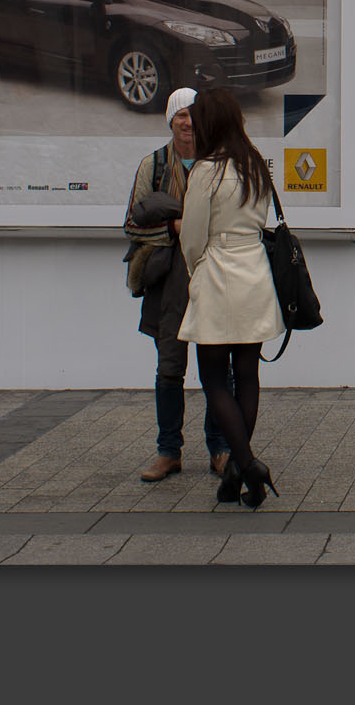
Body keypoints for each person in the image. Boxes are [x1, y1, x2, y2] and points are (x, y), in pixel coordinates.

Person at [178, 88, 285, 507]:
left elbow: (192, 235)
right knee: (248, 375)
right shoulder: (254, 163)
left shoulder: (207, 169)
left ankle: (248, 464)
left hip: (220, 270)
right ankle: (238, 474)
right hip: (254, 270)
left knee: (213, 377)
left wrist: (195, 270)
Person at [125, 87, 234, 482]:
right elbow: (132, 223)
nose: (188, 122)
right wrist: (176, 226)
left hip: (213, 273)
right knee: (170, 367)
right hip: (169, 279)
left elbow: (227, 221)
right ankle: (168, 451)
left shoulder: (221, 163)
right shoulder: (153, 165)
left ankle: (220, 448)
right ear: (170, 120)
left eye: (194, 114)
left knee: (219, 368)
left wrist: (187, 225)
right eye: (180, 115)